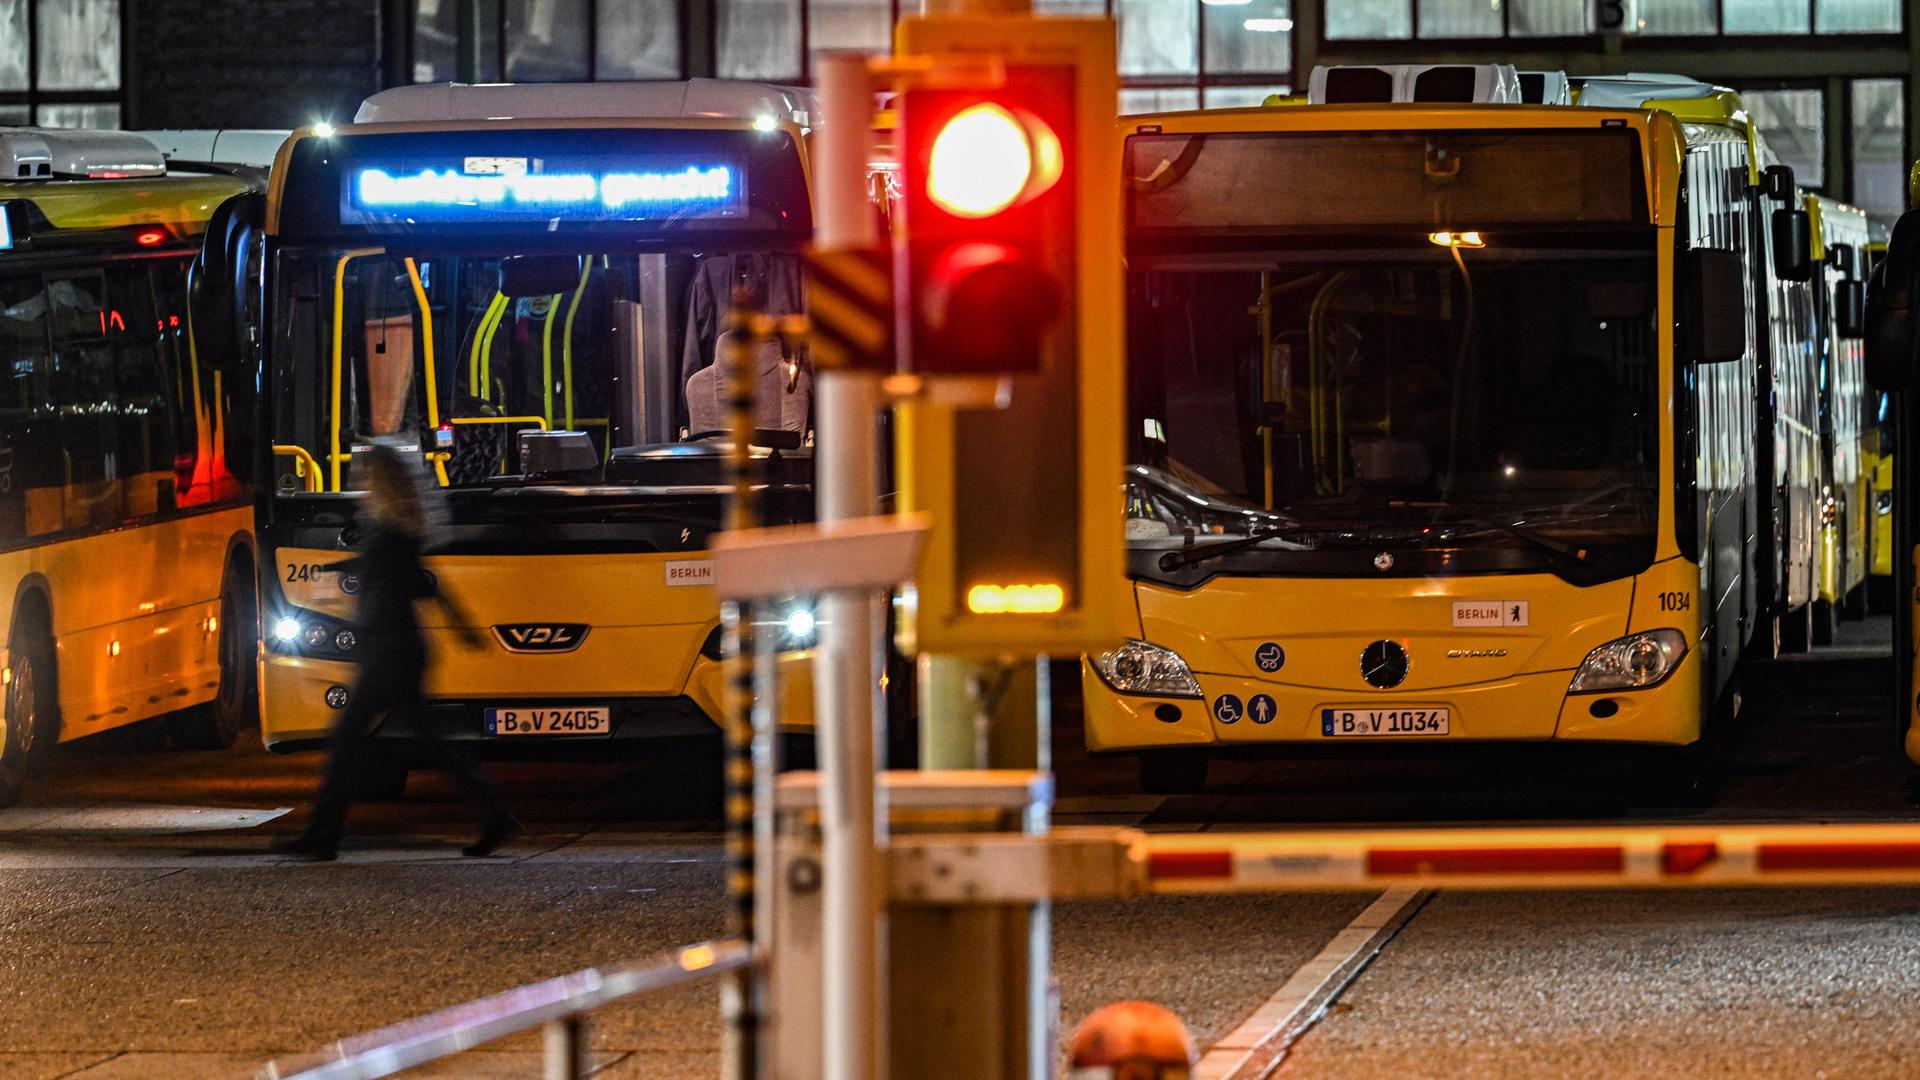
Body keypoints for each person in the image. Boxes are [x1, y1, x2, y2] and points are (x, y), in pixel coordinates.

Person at [273, 446, 517, 861]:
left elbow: (416, 582)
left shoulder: (393, 533)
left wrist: (459, 623)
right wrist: (344, 569)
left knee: (349, 739)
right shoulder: (393, 529)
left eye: (367, 477)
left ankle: (323, 836)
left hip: (392, 651)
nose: (361, 483)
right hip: (395, 649)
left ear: (382, 483)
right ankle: (495, 816)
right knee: (431, 742)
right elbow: (419, 582)